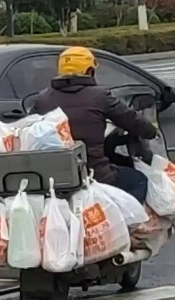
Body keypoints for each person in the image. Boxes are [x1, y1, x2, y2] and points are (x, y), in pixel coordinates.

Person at [31, 46, 157, 204]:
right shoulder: (100, 96)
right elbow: (132, 120)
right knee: (138, 180)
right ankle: (128, 223)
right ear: (90, 71)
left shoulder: (43, 99)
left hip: (53, 179)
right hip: (94, 174)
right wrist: (151, 131)